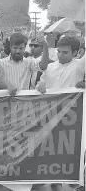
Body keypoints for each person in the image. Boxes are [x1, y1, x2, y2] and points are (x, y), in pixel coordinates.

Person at [36, 36, 85, 191]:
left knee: (72, 147)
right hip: (50, 114)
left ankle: (73, 178)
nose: (60, 55)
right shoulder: (49, 67)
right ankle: (53, 180)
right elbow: (40, 83)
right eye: (59, 51)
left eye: (65, 52)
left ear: (76, 53)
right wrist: (40, 86)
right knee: (50, 147)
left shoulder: (79, 66)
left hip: (73, 116)